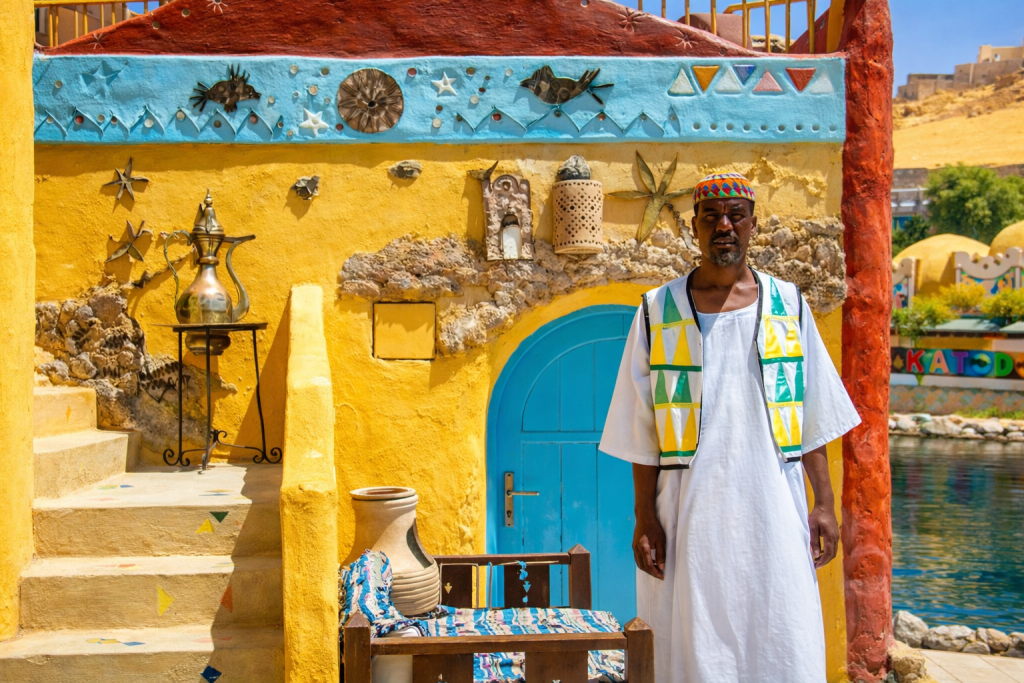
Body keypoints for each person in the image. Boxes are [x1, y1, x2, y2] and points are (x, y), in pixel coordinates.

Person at [599, 173, 861, 683]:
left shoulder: (789, 305)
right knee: (691, 644)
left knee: (781, 629)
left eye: (736, 215)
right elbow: (640, 426)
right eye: (711, 217)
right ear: (693, 228)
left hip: (774, 511)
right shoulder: (658, 311)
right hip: (686, 513)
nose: (724, 226)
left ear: (753, 225)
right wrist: (644, 517)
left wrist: (824, 504)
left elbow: (813, 413)